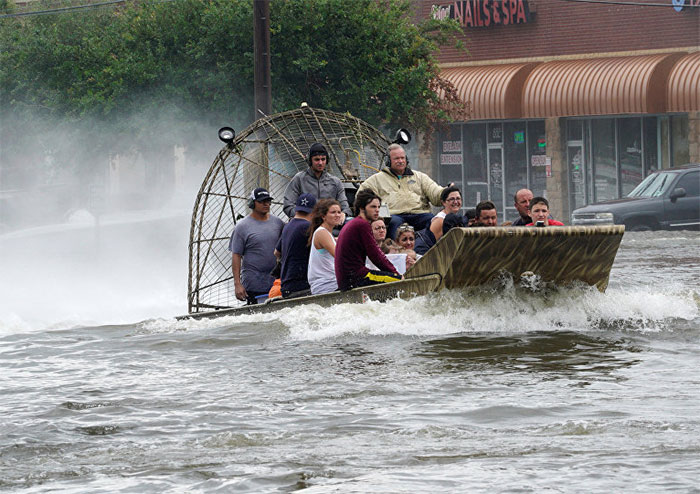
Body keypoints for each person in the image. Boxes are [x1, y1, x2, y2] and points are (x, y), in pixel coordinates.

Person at [357, 143, 447, 240]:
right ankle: (396, 252)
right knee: (394, 223)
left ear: (406, 160)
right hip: (394, 215)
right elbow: (361, 195)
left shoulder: (420, 177)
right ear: (388, 161)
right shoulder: (377, 179)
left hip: (419, 213)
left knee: (432, 219)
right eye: (396, 159)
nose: (400, 161)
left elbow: (435, 192)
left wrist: (447, 192)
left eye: (402, 158)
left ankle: (427, 249)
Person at [335, 189, 402, 291]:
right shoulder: (362, 224)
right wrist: (396, 274)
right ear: (362, 207)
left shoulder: (355, 223)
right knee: (400, 281)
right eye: (373, 207)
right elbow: (375, 255)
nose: (377, 210)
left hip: (347, 279)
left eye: (379, 207)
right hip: (356, 278)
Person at [229, 187, 284, 304]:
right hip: (254, 282)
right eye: (262, 201)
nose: (266, 204)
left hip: (275, 281)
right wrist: (237, 284)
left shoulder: (278, 223)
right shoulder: (242, 227)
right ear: (252, 203)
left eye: (268, 201)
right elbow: (236, 255)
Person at [282, 142, 352, 220]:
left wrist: (343, 214)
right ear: (310, 160)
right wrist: (302, 216)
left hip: (329, 223)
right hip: (305, 223)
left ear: (327, 160)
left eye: (323, 159)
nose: (320, 163)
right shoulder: (299, 179)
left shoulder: (336, 182)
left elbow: (345, 207)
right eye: (317, 159)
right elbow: (288, 205)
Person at [275, 193, 316, 298]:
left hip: (287, 284)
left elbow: (276, 252)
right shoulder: (307, 227)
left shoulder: (288, 226)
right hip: (301, 285)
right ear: (314, 211)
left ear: (296, 209)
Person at [307, 198, 344, 295]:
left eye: (339, 212)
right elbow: (340, 256)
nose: (337, 215)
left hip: (331, 282)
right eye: (333, 212)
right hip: (326, 285)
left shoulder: (328, 234)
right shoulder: (322, 233)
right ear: (323, 216)